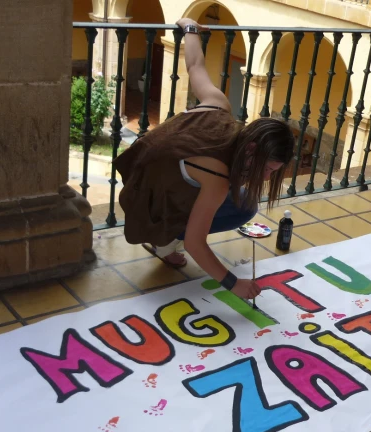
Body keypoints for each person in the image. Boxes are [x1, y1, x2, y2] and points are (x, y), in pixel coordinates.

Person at [115, 18, 295, 301]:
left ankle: (167, 230)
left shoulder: (218, 105)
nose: (266, 177)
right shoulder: (218, 178)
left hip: (138, 176)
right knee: (244, 207)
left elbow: (195, 66)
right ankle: (165, 240)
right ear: (251, 151)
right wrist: (234, 284)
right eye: (268, 169)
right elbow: (196, 244)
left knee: (242, 195)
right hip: (145, 204)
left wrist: (189, 28)